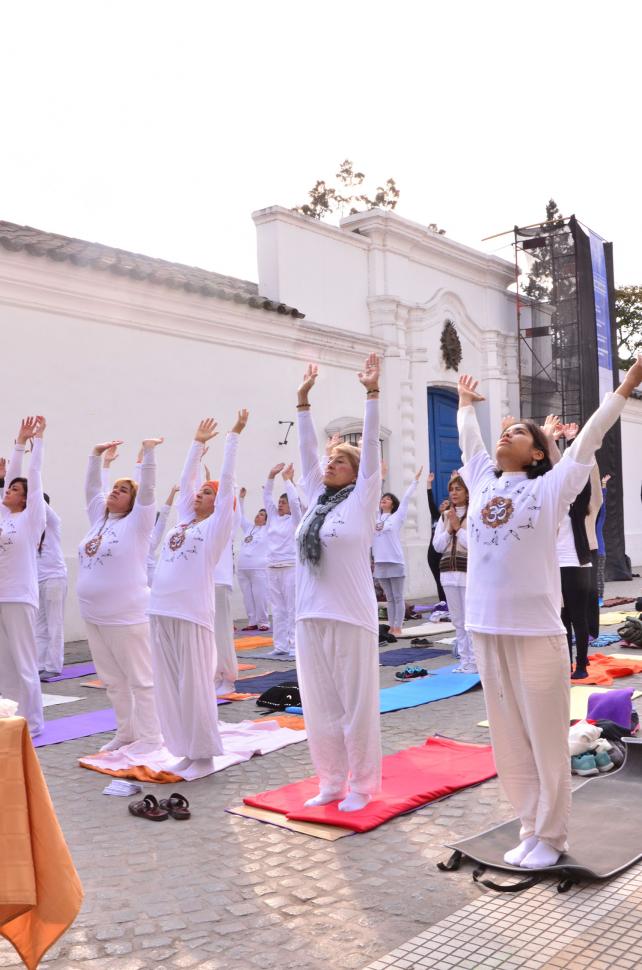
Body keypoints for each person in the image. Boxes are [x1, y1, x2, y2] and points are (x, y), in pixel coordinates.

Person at [456, 354, 642, 870]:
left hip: (535, 630)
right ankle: (528, 828)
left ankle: (553, 835)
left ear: (538, 452)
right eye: (504, 431)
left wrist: (627, 384)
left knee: (544, 738)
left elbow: (588, 442)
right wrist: (466, 405)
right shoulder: (483, 482)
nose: (504, 436)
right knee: (509, 739)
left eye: (517, 432)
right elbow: (470, 438)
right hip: (485, 628)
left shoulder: (550, 488)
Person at [295, 353, 382, 812]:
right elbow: (307, 451)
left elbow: (370, 451)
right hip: (310, 614)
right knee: (321, 708)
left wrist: (371, 394)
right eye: (328, 462)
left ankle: (363, 786)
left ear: (355, 472)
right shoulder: (314, 500)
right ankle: (331, 780)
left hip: (350, 615)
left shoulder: (362, 500)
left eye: (339, 462)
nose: (329, 465)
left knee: (356, 707)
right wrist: (302, 401)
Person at [148, 411, 248, 776]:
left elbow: (227, 483)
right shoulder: (184, 522)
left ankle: (203, 755)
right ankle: (184, 748)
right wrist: (196, 444)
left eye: (207, 493)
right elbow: (185, 480)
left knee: (193, 686)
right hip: (161, 609)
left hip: (192, 613)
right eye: (200, 492)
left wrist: (232, 439)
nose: (199, 494)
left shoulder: (217, 527)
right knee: (170, 686)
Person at [77, 436, 164, 752]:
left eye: (123, 489)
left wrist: (149, 454)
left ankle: (152, 737)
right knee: (113, 681)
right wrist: (95, 455)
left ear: (133, 502)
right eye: (114, 487)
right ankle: (126, 733)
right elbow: (91, 490)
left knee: (141, 679)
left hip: (127, 615)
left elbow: (149, 492)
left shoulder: (138, 524)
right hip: (94, 615)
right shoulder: (98, 521)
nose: (115, 491)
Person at [0, 416, 47, 736]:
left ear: (26, 498)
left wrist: (37, 443)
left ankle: (34, 722)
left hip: (20, 596)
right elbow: (12, 476)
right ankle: (10, 717)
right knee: (5, 663)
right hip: (2, 596)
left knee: (25, 661)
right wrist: (18, 441)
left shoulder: (31, 520)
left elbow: (32, 476)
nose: (8, 490)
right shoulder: (4, 516)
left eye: (15, 490)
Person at [432, 474, 475, 672]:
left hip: (468, 573)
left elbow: (474, 544)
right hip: (448, 574)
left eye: (458, 489)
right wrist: (450, 529)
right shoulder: (444, 516)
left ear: (467, 492)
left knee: (470, 621)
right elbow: (438, 546)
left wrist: (458, 528)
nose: (454, 493)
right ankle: (464, 661)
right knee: (457, 620)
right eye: (452, 489)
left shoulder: (474, 513)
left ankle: (475, 661)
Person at [372, 468, 422, 636]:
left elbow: (407, 499)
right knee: (389, 598)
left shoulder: (397, 517)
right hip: (380, 562)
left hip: (395, 561)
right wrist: (381, 479)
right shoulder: (376, 518)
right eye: (382, 499)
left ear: (393, 504)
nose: (383, 501)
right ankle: (391, 626)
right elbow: (372, 496)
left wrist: (415, 481)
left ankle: (398, 627)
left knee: (398, 596)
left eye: (387, 499)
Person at [263, 462, 302, 657]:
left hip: (290, 566)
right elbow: (266, 497)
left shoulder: (295, 520)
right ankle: (280, 646)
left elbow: (295, 503)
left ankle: (295, 645)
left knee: (292, 607)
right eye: (279, 502)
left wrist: (287, 481)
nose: (280, 505)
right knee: (277, 608)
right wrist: (271, 475)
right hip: (272, 566)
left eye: (283, 502)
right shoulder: (273, 518)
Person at [36, 493, 68, 679]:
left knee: (54, 624)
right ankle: (39, 664)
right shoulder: (32, 528)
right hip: (37, 581)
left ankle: (53, 665)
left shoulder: (53, 523)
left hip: (54, 579)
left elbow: (38, 501)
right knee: (39, 626)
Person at [236, 487, 270, 631]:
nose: (258, 516)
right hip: (243, 569)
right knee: (247, 597)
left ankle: (263, 622)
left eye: (262, 514)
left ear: (267, 520)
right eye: (258, 513)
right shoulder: (249, 528)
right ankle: (252, 621)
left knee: (259, 595)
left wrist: (266, 495)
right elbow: (240, 516)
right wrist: (241, 499)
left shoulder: (268, 530)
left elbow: (273, 514)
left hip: (258, 568)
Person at [147, 485, 179, 587]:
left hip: (150, 580)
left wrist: (172, 493)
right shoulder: (131, 532)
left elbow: (163, 516)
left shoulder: (153, 537)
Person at [426, 472, 447, 606]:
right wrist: (429, 484)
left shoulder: (450, 519)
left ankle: (448, 603)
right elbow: (430, 502)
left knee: (445, 580)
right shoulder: (436, 516)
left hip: (443, 554)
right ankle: (443, 604)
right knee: (438, 580)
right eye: (442, 503)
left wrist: (454, 480)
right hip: (432, 554)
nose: (442, 504)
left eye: (446, 503)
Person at [596, 474, 611, 604]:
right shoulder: (585, 522)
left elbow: (602, 503)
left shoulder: (600, 520)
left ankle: (599, 598)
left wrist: (603, 485)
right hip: (588, 551)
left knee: (599, 575)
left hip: (599, 552)